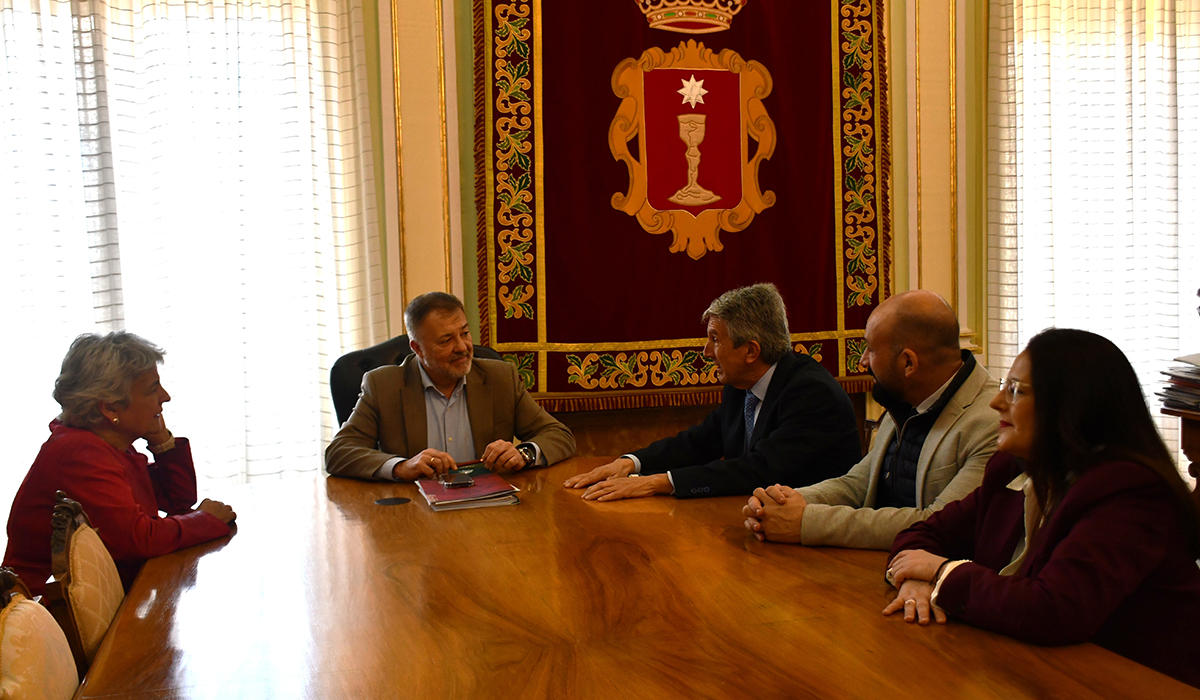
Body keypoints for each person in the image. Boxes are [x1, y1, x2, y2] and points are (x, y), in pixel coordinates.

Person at [883, 328, 1200, 688]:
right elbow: (921, 534)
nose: (996, 402)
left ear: (1071, 404)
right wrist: (915, 581)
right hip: (1029, 667)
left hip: (1134, 683)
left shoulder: (1130, 493)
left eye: (1015, 391)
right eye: (1003, 386)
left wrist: (941, 573)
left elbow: (1054, 609)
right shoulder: (1011, 469)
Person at [742, 290, 997, 548]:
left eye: (871, 349)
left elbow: (935, 523)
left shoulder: (992, 425)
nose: (863, 361)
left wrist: (805, 522)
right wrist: (781, 503)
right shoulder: (906, 398)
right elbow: (857, 484)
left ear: (908, 363)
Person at [564, 283, 861, 501]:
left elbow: (759, 469)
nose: (706, 351)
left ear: (750, 351)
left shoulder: (812, 393)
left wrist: (655, 483)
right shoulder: (740, 384)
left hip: (816, 536)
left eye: (715, 339)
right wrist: (630, 463)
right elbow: (699, 441)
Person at [4, 332, 235, 596]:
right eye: (152, 389)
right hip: (46, 611)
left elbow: (177, 501)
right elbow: (139, 539)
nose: (165, 397)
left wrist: (162, 441)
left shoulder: (108, 442)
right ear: (111, 409)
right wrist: (205, 520)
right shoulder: (79, 453)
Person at [325, 292, 575, 480]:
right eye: (446, 340)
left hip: (488, 509)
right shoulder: (383, 386)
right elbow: (339, 452)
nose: (462, 347)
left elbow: (559, 435)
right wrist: (401, 466)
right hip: (415, 512)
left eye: (464, 333)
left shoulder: (500, 377)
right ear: (417, 349)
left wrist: (524, 454)